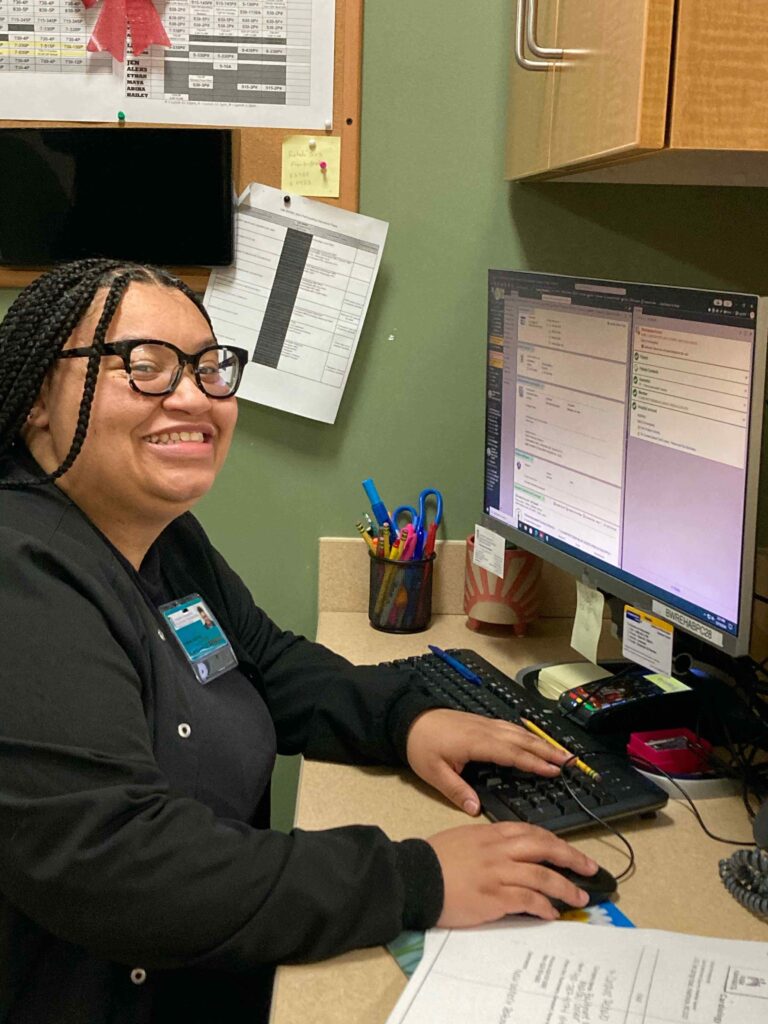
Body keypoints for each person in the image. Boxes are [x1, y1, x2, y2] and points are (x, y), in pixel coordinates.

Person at [0, 259, 598, 1023]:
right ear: (35, 407)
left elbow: (268, 664)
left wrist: (407, 720)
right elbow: (123, 866)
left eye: (210, 367)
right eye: (143, 368)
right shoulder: (22, 577)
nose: (193, 396)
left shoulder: (160, 540)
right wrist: (417, 879)